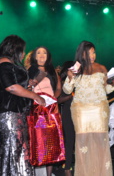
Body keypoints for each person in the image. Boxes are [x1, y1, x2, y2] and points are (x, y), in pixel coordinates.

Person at [0, 35, 46, 176]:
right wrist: (34, 95)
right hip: (8, 112)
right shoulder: (3, 63)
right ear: (14, 49)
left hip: (15, 111)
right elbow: (11, 87)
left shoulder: (8, 63)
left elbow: (14, 85)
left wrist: (27, 84)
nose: (23, 54)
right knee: (14, 146)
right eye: (22, 51)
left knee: (17, 147)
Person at [63, 41, 114, 176]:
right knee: (83, 143)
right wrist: (69, 78)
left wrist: (113, 83)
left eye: (93, 52)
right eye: (88, 53)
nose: (92, 55)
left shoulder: (101, 68)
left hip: (99, 109)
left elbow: (106, 89)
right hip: (81, 110)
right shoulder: (76, 69)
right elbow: (67, 90)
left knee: (100, 142)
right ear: (81, 54)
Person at [26, 46, 64, 176]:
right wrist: (31, 85)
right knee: (38, 141)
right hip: (36, 109)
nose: (42, 55)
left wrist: (54, 98)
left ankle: (49, 174)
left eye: (44, 53)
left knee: (51, 141)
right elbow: (26, 89)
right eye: (38, 53)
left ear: (48, 56)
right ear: (34, 56)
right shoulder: (30, 70)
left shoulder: (52, 71)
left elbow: (58, 88)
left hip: (51, 109)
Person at [58, 61, 76, 176]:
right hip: (68, 112)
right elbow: (58, 100)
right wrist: (71, 95)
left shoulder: (79, 80)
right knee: (69, 141)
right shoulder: (62, 82)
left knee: (80, 141)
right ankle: (67, 168)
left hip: (81, 112)